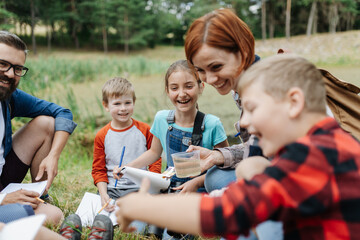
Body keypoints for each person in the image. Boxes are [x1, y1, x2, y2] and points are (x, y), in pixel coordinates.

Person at [115, 54, 360, 240]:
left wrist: (142, 206)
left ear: (294, 103)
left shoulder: (314, 158)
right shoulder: (327, 142)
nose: (242, 122)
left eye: (252, 108)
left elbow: (226, 212)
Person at [183, 8, 280, 239]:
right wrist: (219, 156)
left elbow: (267, 159)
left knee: (233, 210)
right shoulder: (243, 85)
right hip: (271, 169)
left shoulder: (264, 90)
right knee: (214, 176)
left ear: (243, 51)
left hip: (291, 178)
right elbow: (256, 145)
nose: (210, 79)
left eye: (216, 67)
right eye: (201, 71)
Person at [113, 60, 228, 239]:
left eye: (188, 86)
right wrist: (128, 167)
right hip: (167, 186)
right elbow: (154, 152)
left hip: (196, 190)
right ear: (167, 91)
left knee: (172, 235)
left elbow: (225, 165)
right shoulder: (161, 119)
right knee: (137, 227)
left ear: (201, 87)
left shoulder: (212, 124)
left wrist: (196, 183)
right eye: (174, 88)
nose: (181, 94)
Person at [0, 31, 77, 225]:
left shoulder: (9, 97)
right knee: (54, 216)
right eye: (2, 64)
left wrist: (53, 156)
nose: (10, 74)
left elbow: (62, 113)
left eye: (17, 68)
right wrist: (3, 200)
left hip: (3, 179)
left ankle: (38, 194)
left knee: (46, 123)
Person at [92, 77, 161, 233]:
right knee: (101, 218)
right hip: (112, 190)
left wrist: (150, 187)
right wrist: (104, 194)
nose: (123, 108)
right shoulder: (102, 135)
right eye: (117, 104)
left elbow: (155, 160)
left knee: (138, 226)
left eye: (127, 103)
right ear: (106, 106)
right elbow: (98, 170)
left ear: (134, 103)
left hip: (139, 188)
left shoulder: (145, 130)